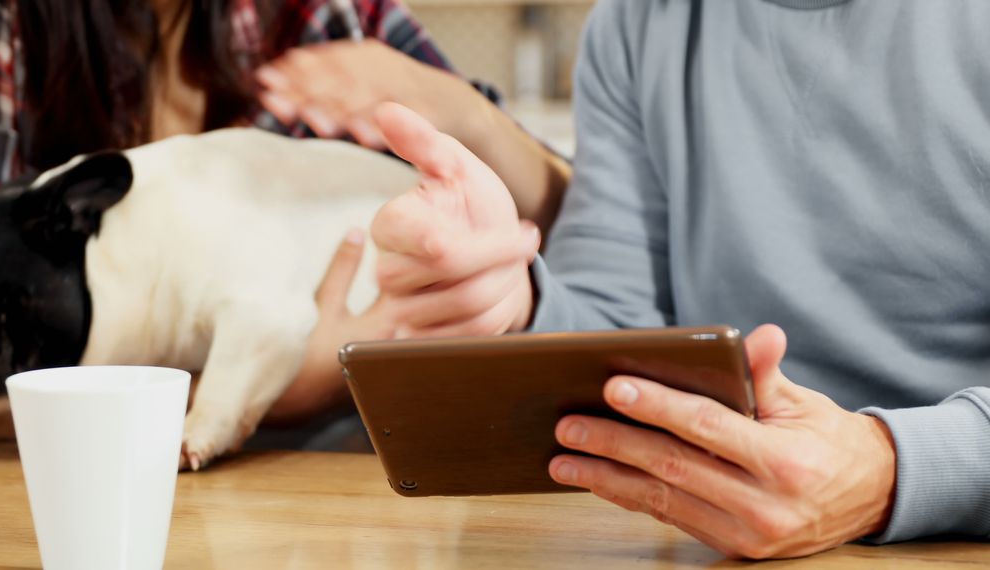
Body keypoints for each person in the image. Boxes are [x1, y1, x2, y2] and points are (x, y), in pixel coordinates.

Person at [360, 0, 990, 559]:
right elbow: (617, 331)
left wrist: (889, 468)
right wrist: (514, 305)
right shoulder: (637, 22)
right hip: (709, 536)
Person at [0, 0, 568, 434]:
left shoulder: (326, 14)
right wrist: (259, 387)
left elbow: (570, 228)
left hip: (365, 469)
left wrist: (467, 116)